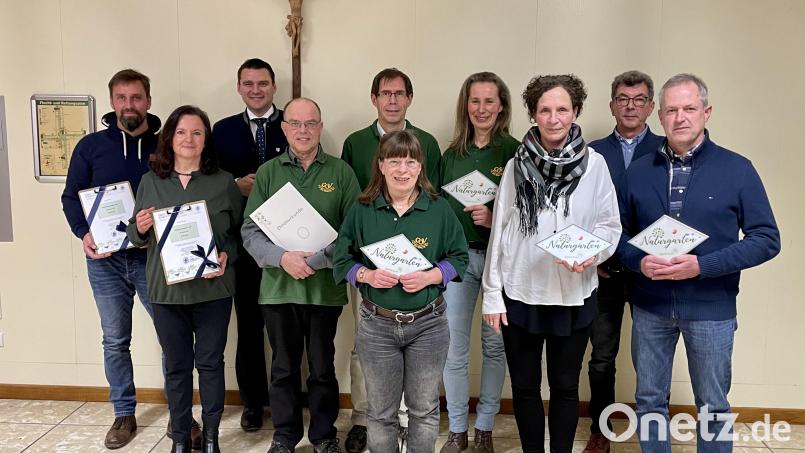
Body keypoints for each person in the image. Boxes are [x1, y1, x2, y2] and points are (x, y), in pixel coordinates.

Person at [617, 73, 780, 453]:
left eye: (689, 108)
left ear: (706, 112)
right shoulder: (638, 172)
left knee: (713, 406)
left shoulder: (738, 169)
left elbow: (766, 239)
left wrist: (701, 266)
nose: (680, 118)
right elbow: (617, 235)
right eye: (671, 110)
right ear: (659, 116)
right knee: (650, 402)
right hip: (650, 306)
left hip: (711, 308)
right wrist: (638, 262)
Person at [482, 74, 621, 453]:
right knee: (525, 388)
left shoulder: (595, 166)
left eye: (562, 109)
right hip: (522, 291)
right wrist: (493, 294)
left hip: (573, 294)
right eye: (545, 109)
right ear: (533, 115)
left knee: (564, 387)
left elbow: (610, 224)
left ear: (575, 112)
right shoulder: (515, 166)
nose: (554, 117)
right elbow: (502, 233)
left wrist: (594, 253)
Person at [334, 129, 469, 453]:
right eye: (394, 161)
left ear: (420, 167)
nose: (403, 170)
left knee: (424, 410)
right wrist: (366, 274)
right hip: (376, 325)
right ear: (380, 165)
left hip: (428, 325)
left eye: (410, 162)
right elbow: (342, 261)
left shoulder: (438, 209)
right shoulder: (363, 209)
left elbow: (459, 258)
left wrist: (432, 276)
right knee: (380, 414)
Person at [60, 69, 173, 450]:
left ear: (148, 100)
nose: (130, 105)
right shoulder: (91, 147)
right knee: (114, 340)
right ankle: (124, 413)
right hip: (106, 260)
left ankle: (179, 413)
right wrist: (84, 233)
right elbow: (70, 196)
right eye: (122, 98)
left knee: (171, 336)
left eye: (137, 97)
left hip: (153, 258)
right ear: (112, 102)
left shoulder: (165, 146)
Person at [241, 98, 360, 453]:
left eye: (310, 123)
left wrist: (320, 261)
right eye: (295, 123)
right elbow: (250, 231)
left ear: (320, 128)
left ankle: (324, 435)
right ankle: (285, 435)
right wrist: (281, 258)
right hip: (278, 289)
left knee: (322, 369)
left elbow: (354, 232)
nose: (303, 130)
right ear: (284, 128)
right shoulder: (268, 173)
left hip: (324, 291)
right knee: (283, 368)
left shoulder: (341, 173)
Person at [127, 105, 243, 453]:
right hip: (167, 294)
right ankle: (180, 437)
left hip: (213, 290)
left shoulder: (223, 182)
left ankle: (210, 438)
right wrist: (141, 227)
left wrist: (227, 256)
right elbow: (135, 234)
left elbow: (241, 235)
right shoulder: (151, 182)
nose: (189, 139)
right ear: (170, 139)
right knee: (177, 369)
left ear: (206, 140)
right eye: (181, 132)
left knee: (210, 365)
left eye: (196, 133)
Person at [340, 67, 441, 453]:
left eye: (400, 93)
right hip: (371, 272)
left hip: (418, 276)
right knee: (363, 344)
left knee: (418, 360)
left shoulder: (427, 142)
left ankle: (406, 423)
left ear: (409, 99)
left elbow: (435, 202)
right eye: (386, 94)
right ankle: (364, 420)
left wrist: (430, 270)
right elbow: (354, 201)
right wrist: (365, 269)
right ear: (374, 99)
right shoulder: (355, 142)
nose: (393, 100)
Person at [582, 70, 664, 453]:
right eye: (623, 99)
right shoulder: (592, 151)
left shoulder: (668, 149)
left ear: (651, 106)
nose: (630, 106)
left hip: (653, 272)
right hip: (605, 271)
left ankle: (654, 433)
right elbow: (581, 211)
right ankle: (601, 429)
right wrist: (594, 256)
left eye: (639, 99)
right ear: (611, 104)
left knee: (651, 360)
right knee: (602, 356)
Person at [438, 72, 518, 453]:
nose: (481, 109)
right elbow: (434, 211)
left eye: (489, 101)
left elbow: (529, 217)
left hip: (498, 265)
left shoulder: (516, 152)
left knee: (494, 347)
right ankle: (457, 429)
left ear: (501, 105)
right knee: (453, 348)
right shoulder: (450, 155)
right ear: (465, 106)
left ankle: (484, 426)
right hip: (455, 264)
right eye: (475, 101)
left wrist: (494, 216)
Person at [212, 57, 288, 431]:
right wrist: (236, 186)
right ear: (239, 87)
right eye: (249, 84)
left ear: (274, 86)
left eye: (263, 83)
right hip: (240, 244)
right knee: (248, 328)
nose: (256, 90)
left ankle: (284, 399)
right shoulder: (223, 130)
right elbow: (210, 177)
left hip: (285, 244)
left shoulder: (292, 124)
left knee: (284, 328)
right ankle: (252, 402)